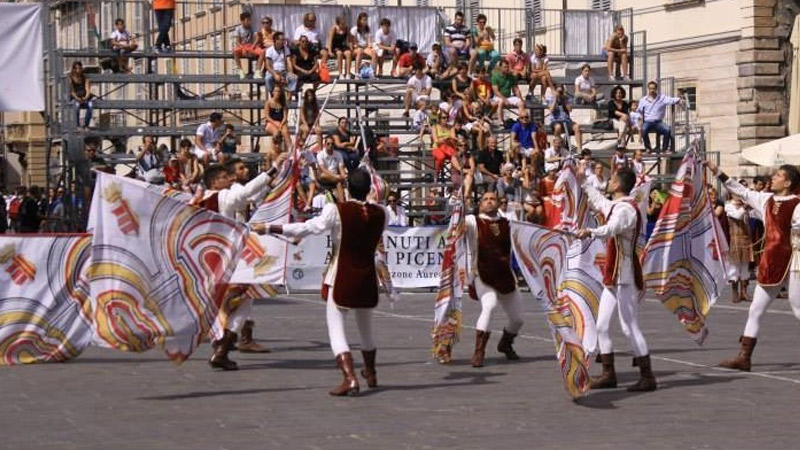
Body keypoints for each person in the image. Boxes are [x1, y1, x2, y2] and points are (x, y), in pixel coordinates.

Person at [265, 169, 388, 396]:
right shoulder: (382, 213)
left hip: (341, 275)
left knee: (336, 328)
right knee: (367, 329)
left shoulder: (336, 211)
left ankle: (350, 377)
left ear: (348, 188)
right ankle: (370, 372)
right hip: (367, 277)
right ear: (369, 188)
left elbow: (308, 227)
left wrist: (270, 227)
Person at [706, 161, 800, 371]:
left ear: (788, 182)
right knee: (755, 309)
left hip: (794, 263)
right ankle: (744, 356)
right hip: (771, 262)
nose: (773, 178)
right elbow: (740, 190)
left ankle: (744, 356)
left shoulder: (797, 204)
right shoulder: (766, 199)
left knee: (798, 309)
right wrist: (717, 172)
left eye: (778, 175)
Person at [577, 167, 657, 392]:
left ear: (618, 185)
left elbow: (612, 228)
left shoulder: (627, 210)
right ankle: (608, 374)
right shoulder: (616, 206)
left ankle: (647, 375)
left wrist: (590, 232)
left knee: (629, 326)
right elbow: (599, 201)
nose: (609, 182)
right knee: (601, 326)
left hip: (625, 275)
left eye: (611, 179)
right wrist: (583, 181)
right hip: (613, 276)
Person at [198, 163, 280, 370]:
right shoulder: (221, 197)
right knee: (244, 300)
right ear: (215, 182)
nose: (230, 179)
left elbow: (247, 196)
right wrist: (273, 170)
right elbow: (243, 196)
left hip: (208, 259)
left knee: (224, 304)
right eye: (225, 177)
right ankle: (223, 349)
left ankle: (221, 342)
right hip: (230, 260)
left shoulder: (200, 199)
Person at [465, 190, 525, 367]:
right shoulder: (472, 221)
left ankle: (505, 344)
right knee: (489, 305)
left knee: (518, 319)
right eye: (485, 199)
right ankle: (479, 351)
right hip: (483, 274)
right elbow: (458, 224)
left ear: (498, 203)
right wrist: (458, 203)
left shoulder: (508, 223)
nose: (489, 201)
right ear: (480, 204)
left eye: (493, 199)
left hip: (506, 276)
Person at [637, 81, 683, 154]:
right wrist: (639, 123)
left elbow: (672, 100)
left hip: (658, 122)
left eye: (653, 89)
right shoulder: (643, 100)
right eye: (650, 89)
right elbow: (639, 112)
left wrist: (679, 100)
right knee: (644, 129)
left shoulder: (662, 98)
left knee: (667, 130)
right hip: (648, 121)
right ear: (648, 89)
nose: (652, 90)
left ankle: (664, 149)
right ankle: (648, 148)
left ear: (656, 89)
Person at [726, 194, 754, 303]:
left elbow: (749, 219)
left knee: (745, 267)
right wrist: (744, 207)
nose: (739, 196)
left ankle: (744, 292)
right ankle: (735, 292)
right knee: (735, 267)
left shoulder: (744, 207)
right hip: (735, 240)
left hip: (746, 239)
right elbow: (737, 215)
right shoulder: (728, 206)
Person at [549, 84, 583, 149]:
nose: (560, 93)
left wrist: (564, 100)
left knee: (577, 127)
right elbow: (551, 110)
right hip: (555, 120)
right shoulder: (551, 98)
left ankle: (579, 148)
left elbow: (570, 110)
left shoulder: (566, 98)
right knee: (558, 127)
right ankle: (558, 145)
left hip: (566, 120)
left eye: (561, 91)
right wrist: (555, 99)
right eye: (558, 91)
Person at [264, 86, 292, 160]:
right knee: (276, 133)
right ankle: (275, 152)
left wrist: (281, 124)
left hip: (281, 122)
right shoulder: (268, 103)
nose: (277, 93)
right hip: (271, 122)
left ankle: (291, 150)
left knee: (285, 132)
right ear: (273, 92)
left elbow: (285, 116)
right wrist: (275, 123)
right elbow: (267, 116)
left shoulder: (283, 103)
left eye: (278, 91)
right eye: (275, 91)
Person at [317, 136, 348, 201]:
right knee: (323, 175)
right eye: (328, 144)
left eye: (332, 144)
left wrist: (343, 175)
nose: (330, 145)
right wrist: (336, 176)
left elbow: (341, 167)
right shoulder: (320, 154)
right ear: (325, 144)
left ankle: (342, 203)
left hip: (336, 177)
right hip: (325, 176)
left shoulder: (338, 154)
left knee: (339, 182)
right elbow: (323, 169)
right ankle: (342, 204)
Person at [233, 12, 263, 80]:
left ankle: (257, 71)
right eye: (247, 20)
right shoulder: (238, 29)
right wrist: (243, 48)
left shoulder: (252, 28)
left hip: (251, 46)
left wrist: (253, 46)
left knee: (262, 52)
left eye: (250, 20)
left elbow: (257, 38)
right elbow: (237, 42)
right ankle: (240, 70)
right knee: (234, 51)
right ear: (242, 21)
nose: (249, 22)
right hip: (242, 46)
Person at [69, 61, 94, 130]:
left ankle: (86, 125)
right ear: (73, 69)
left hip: (84, 97)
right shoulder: (70, 78)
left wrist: (86, 98)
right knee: (76, 107)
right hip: (75, 97)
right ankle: (77, 125)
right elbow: (72, 91)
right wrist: (77, 98)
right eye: (76, 68)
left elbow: (88, 89)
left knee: (91, 106)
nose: (78, 70)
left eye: (79, 68)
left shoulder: (85, 78)